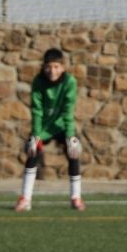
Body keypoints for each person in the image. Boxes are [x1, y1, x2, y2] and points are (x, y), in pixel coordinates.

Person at [16, 47, 84, 212]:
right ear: (43, 67)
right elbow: (37, 111)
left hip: (61, 125)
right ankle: (26, 198)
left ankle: (76, 197)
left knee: (73, 154)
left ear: (63, 67)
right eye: (48, 66)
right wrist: (36, 135)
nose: (52, 70)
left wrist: (70, 137)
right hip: (44, 127)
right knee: (32, 154)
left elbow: (68, 111)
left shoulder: (70, 82)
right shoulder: (38, 82)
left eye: (56, 67)